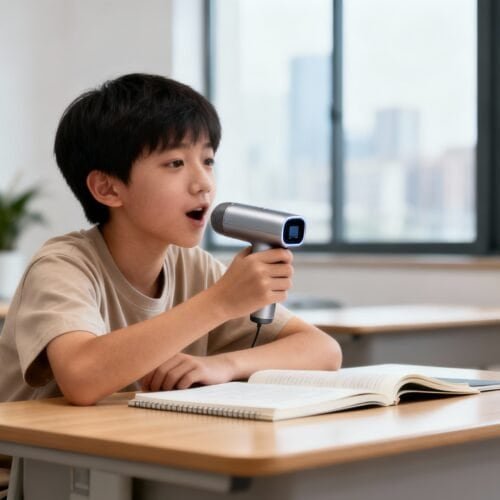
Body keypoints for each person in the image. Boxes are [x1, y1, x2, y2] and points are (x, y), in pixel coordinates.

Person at [0, 73, 342, 405]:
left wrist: (221, 366)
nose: (203, 182)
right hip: (28, 462)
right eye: (175, 163)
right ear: (108, 188)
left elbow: (324, 351)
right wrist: (220, 302)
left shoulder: (195, 267)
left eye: (208, 161)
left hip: (123, 452)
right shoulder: (62, 266)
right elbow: (81, 378)